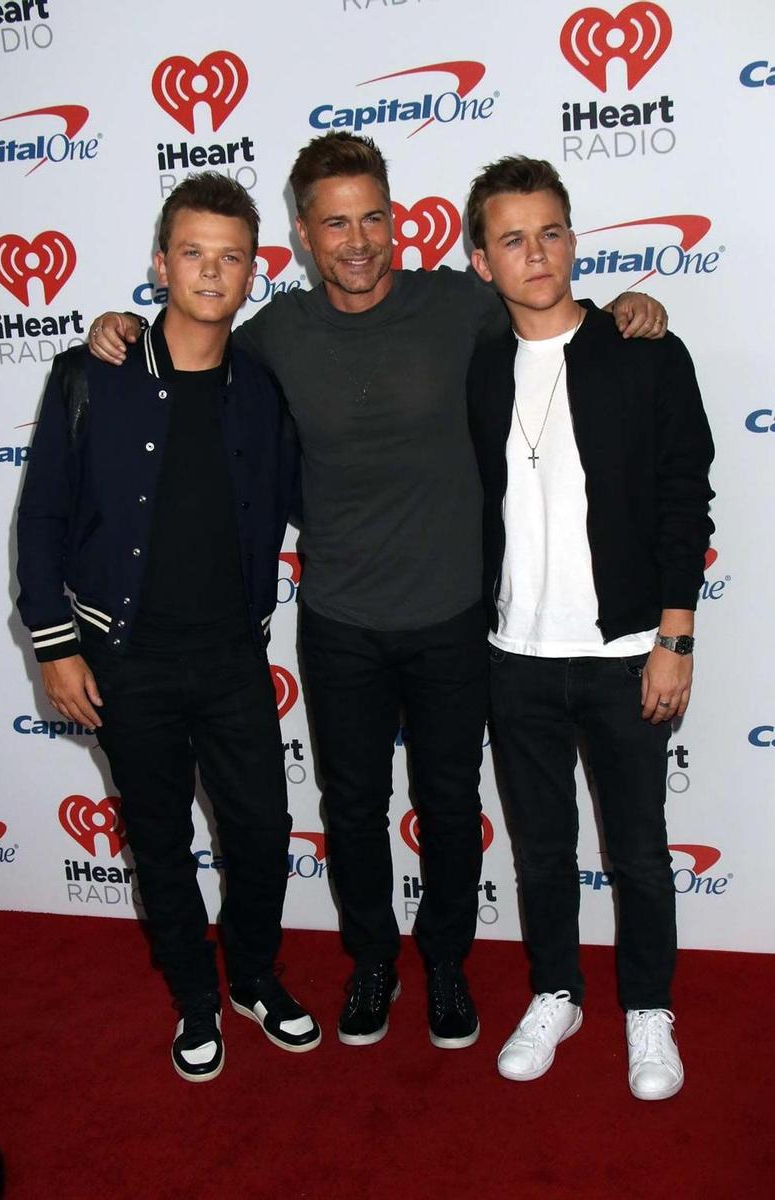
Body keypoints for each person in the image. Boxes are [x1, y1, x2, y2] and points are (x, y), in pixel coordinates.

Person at [87, 132, 668, 1051]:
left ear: (394, 221)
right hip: (339, 622)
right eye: (333, 224)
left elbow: (547, 308)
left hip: (453, 619)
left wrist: (626, 306)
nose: (355, 240)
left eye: (371, 217)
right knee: (351, 808)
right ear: (303, 238)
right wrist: (113, 329)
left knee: (447, 802)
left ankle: (442, 966)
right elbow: (189, 346)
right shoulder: (275, 331)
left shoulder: (457, 304)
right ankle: (371, 964)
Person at [16, 173, 320, 1083]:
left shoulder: (265, 387)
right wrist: (54, 645)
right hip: (121, 658)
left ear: (254, 270)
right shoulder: (89, 376)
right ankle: (195, 1000)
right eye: (193, 252)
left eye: (231, 256)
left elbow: (314, 492)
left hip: (232, 657)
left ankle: (256, 977)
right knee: (157, 841)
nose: (211, 271)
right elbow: (40, 522)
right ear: (160, 263)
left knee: (263, 832)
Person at [466, 156, 714, 1099]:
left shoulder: (642, 349)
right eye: (513, 239)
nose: (537, 255)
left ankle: (647, 1009)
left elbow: (681, 500)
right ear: (481, 262)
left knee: (640, 852)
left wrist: (673, 637)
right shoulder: (481, 365)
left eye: (551, 233)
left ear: (574, 238)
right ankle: (556, 992)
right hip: (513, 658)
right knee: (538, 851)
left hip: (622, 658)